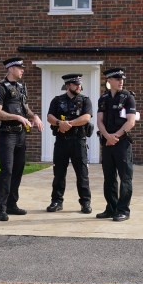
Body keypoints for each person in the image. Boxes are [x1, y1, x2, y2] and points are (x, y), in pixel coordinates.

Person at [0, 57, 43, 221]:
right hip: (7, 134)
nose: (22, 70)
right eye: (20, 68)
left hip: (21, 135)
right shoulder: (0, 88)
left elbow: (24, 107)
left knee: (18, 170)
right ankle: (1, 208)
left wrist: (35, 116)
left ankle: (12, 204)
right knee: (6, 170)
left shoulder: (21, 87)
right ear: (11, 68)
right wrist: (18, 117)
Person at [45, 73, 93, 214]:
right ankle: (56, 201)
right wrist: (60, 123)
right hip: (61, 142)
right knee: (59, 174)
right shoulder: (57, 100)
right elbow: (49, 117)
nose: (79, 86)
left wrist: (68, 124)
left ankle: (85, 203)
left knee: (82, 174)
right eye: (75, 84)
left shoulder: (85, 100)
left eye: (80, 84)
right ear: (68, 85)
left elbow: (86, 117)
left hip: (78, 141)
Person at [96, 67, 136, 222]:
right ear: (109, 81)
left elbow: (130, 121)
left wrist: (115, 136)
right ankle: (111, 208)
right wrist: (107, 136)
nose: (121, 82)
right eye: (117, 79)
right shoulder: (104, 98)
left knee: (125, 177)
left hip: (121, 143)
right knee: (109, 177)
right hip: (107, 142)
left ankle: (123, 210)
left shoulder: (127, 97)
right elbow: (99, 120)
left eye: (122, 79)